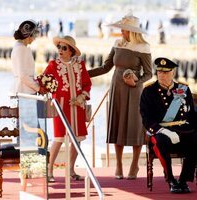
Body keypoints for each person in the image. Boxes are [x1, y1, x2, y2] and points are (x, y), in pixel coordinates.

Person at [88, 13, 152, 179]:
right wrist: (82, 74)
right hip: (117, 88)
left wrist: (136, 83)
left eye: (124, 29)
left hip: (134, 90)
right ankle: (118, 165)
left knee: (135, 126)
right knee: (118, 124)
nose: (121, 32)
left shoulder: (143, 48)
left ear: (132, 31)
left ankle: (135, 165)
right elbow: (105, 67)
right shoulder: (117, 44)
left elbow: (149, 74)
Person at [140, 57, 197, 193]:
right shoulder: (149, 91)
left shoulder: (183, 89)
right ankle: (171, 179)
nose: (161, 74)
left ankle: (183, 181)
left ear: (173, 73)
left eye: (165, 72)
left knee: (196, 139)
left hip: (183, 130)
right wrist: (164, 131)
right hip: (161, 131)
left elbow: (192, 115)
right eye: (159, 71)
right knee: (161, 142)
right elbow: (146, 119)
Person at [43, 35, 92, 182]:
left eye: (64, 48)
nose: (60, 50)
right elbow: (44, 81)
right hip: (61, 106)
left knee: (77, 140)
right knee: (58, 138)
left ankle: (71, 169)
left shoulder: (80, 65)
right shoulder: (53, 65)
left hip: (77, 107)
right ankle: (49, 169)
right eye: (59, 47)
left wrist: (81, 98)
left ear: (71, 51)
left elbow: (87, 84)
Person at [10, 19, 46, 96]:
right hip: (23, 91)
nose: (35, 38)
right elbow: (23, 75)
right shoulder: (21, 48)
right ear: (29, 35)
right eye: (35, 35)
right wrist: (38, 88)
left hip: (22, 91)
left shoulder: (19, 47)